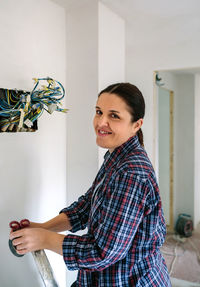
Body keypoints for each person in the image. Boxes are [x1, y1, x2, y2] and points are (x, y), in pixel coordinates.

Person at [10, 83, 171, 286]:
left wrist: (44, 239)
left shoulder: (131, 173)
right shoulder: (117, 157)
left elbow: (102, 253)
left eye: (114, 116)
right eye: (98, 112)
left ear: (136, 125)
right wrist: (44, 228)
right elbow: (85, 208)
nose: (101, 122)